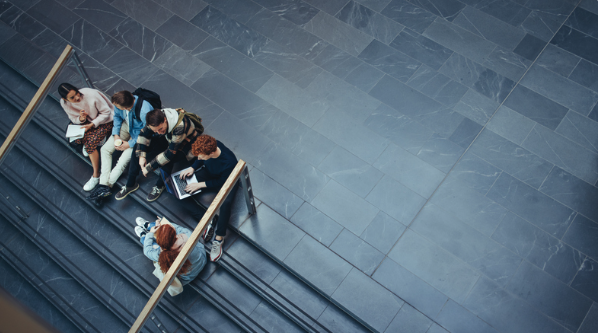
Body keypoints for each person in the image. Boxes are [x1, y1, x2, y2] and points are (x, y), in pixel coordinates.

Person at [115, 108, 200, 202]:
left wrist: (148, 167)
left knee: (168, 161)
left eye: (160, 129)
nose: (159, 132)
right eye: (155, 131)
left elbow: (169, 154)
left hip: (185, 143)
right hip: (169, 138)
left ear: (165, 120)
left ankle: (160, 185)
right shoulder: (155, 118)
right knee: (137, 146)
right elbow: (144, 134)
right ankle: (130, 184)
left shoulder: (180, 127)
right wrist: (141, 156)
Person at [178, 134, 238, 262]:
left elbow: (222, 182)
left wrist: (201, 185)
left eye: (200, 156)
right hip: (210, 174)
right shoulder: (210, 147)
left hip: (226, 181)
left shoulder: (230, 162)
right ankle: (206, 219)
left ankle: (219, 239)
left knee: (225, 204)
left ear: (211, 153)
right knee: (181, 192)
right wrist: (192, 167)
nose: (198, 158)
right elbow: (200, 159)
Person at [58, 83, 114, 191]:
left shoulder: (91, 95)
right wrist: (81, 119)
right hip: (87, 123)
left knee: (90, 145)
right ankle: (95, 140)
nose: (77, 97)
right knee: (74, 139)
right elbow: (73, 118)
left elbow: (107, 112)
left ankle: (96, 175)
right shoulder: (64, 103)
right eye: (72, 98)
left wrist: (92, 124)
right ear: (65, 99)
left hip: (105, 121)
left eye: (77, 94)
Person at [98, 91, 152, 188]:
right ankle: (103, 182)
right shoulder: (121, 102)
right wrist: (116, 135)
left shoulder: (145, 112)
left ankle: (106, 186)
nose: (115, 108)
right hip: (126, 126)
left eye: (118, 107)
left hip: (138, 134)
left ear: (126, 108)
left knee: (122, 161)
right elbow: (117, 117)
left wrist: (129, 144)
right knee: (105, 150)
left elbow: (147, 134)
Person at [135, 217, 207, 286]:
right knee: (164, 229)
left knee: (152, 245)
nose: (179, 236)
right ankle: (148, 225)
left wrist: (150, 233)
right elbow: (176, 228)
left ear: (164, 247)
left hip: (188, 277)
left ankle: (144, 235)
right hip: (202, 259)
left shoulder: (164, 255)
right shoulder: (187, 235)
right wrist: (163, 224)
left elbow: (147, 251)